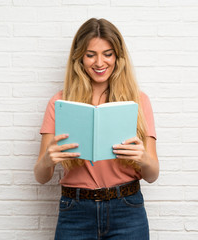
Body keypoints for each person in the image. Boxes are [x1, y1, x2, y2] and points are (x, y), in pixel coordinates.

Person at [34, 18, 159, 240]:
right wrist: (47, 160)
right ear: (79, 58)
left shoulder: (138, 102)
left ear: (118, 57)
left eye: (107, 54)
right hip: (75, 210)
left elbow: (152, 175)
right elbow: (42, 177)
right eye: (91, 54)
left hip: (127, 209)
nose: (99, 62)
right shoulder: (60, 103)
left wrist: (144, 159)